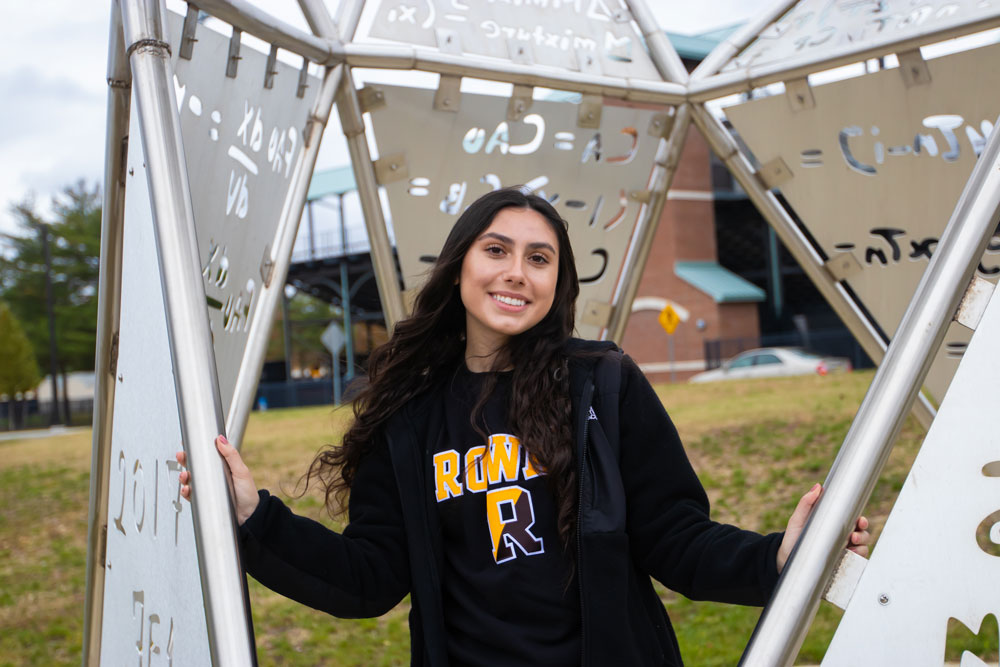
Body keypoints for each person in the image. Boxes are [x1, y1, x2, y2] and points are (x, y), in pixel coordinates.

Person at [176, 187, 869, 666]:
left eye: (539, 258)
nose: (517, 272)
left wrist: (781, 556)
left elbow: (675, 538)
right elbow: (370, 577)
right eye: (496, 250)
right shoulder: (410, 412)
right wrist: (251, 518)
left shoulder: (603, 381)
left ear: (557, 282)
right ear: (459, 269)